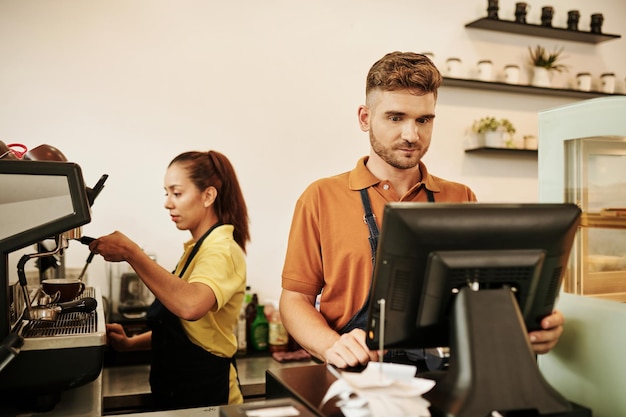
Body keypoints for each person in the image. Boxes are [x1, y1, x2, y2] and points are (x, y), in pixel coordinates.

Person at [279, 51, 564, 369]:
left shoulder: (460, 197)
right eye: (395, 117)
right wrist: (332, 345)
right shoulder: (320, 197)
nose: (411, 135)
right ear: (364, 118)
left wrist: (530, 327)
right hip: (353, 376)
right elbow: (294, 300)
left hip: (445, 376)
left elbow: (481, 299)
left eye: (423, 120)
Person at [90, 150, 250, 409]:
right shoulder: (197, 248)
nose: (167, 203)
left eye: (177, 193)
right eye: (167, 193)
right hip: (179, 393)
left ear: (208, 195)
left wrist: (132, 253)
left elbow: (191, 306)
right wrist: (131, 344)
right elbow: (188, 335)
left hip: (210, 397)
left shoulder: (221, 249)